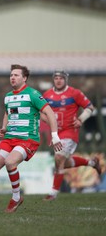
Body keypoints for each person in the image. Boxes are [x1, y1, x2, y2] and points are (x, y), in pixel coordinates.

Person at [0, 64, 63, 214]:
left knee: (10, 162)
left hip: (27, 139)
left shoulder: (33, 94)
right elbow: (8, 113)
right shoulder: (8, 96)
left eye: (16, 75)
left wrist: (54, 136)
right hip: (9, 138)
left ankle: (16, 197)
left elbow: (49, 113)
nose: (13, 77)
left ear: (24, 78)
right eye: (11, 75)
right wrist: (4, 127)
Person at [42, 70, 101, 201]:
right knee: (64, 162)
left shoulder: (74, 93)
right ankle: (92, 163)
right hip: (56, 133)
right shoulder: (47, 95)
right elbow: (41, 112)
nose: (58, 80)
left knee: (58, 158)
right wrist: (47, 120)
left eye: (61, 78)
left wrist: (80, 119)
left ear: (66, 80)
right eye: (56, 78)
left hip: (70, 131)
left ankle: (53, 193)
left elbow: (89, 107)